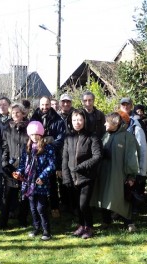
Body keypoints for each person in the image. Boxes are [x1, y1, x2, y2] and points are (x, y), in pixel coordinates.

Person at [91, 112, 139, 232]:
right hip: (104, 173)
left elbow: (132, 157)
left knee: (121, 197)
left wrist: (131, 176)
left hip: (119, 175)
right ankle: (106, 221)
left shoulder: (127, 137)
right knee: (103, 196)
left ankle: (129, 222)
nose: (104, 123)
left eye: (107, 121)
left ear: (116, 123)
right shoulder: (106, 135)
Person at [62, 110, 102, 239]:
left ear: (84, 120)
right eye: (74, 120)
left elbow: (97, 156)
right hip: (72, 177)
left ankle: (89, 227)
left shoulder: (92, 136)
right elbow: (65, 158)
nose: (77, 123)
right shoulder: (68, 137)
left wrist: (81, 167)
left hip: (87, 176)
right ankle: (81, 225)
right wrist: (66, 176)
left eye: (79, 120)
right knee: (76, 205)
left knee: (83, 204)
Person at [13, 121, 56, 240]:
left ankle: (46, 231)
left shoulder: (48, 148)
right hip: (28, 183)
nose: (34, 137)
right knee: (32, 208)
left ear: (41, 134)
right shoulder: (26, 148)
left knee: (41, 208)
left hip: (40, 182)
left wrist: (42, 177)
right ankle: (36, 228)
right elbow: (22, 164)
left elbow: (51, 165)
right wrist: (19, 172)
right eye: (32, 135)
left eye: (37, 134)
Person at [0, 103, 29, 229]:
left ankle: (23, 220)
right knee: (7, 197)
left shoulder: (29, 128)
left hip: (25, 168)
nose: (15, 115)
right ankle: (2, 222)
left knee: (25, 196)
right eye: (13, 113)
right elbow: (5, 148)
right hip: (11, 168)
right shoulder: (7, 129)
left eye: (18, 112)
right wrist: (4, 163)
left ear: (23, 114)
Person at [30, 96, 65, 218]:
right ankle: (38, 208)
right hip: (36, 155)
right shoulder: (34, 118)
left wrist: (49, 146)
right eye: (42, 105)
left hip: (51, 154)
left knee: (52, 182)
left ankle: (55, 207)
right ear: (39, 105)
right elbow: (29, 135)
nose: (45, 107)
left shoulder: (58, 120)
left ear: (50, 105)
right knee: (35, 180)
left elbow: (61, 139)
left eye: (47, 105)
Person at [119, 97, 147, 207]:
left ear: (131, 106)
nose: (125, 107)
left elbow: (142, 145)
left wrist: (142, 168)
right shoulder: (116, 119)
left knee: (132, 185)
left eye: (127, 104)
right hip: (120, 160)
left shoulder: (137, 122)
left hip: (133, 160)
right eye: (123, 105)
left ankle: (132, 208)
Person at [57, 93, 75, 213]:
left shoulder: (76, 114)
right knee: (62, 179)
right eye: (63, 102)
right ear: (60, 103)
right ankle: (64, 203)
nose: (66, 104)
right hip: (60, 151)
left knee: (74, 179)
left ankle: (74, 205)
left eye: (68, 102)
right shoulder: (57, 117)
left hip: (74, 150)